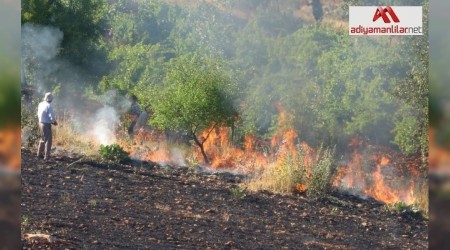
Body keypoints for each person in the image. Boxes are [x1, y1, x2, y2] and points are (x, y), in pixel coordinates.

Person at [37, 92, 57, 160]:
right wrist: (54, 122)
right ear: (50, 99)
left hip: (40, 123)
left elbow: (39, 114)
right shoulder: (48, 106)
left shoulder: (40, 104)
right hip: (46, 124)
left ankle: (39, 154)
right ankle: (47, 156)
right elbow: (52, 117)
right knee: (48, 140)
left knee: (42, 139)